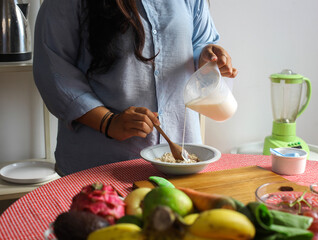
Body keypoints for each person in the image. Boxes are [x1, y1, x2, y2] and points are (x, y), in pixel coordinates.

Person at [33, 0, 238, 176]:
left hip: (181, 162)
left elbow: (199, 41)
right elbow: (53, 68)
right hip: (100, 165)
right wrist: (108, 122)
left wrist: (207, 57)